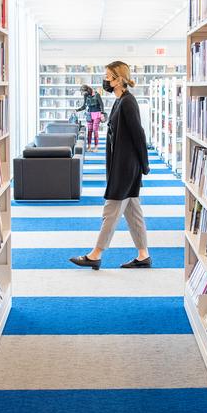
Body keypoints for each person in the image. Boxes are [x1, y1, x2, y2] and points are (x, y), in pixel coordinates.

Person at [70, 61, 152, 270]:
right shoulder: (119, 101)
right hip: (122, 164)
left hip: (126, 167)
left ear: (118, 79)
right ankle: (143, 255)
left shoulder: (127, 102)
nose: (105, 80)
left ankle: (95, 254)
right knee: (133, 212)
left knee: (111, 210)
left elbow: (138, 134)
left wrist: (144, 165)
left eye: (108, 76)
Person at [76, 84, 105, 153]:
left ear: (87, 90)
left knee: (95, 131)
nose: (82, 94)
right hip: (89, 115)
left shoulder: (97, 95)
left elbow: (102, 105)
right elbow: (84, 106)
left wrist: (102, 113)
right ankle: (89, 147)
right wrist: (77, 110)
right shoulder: (86, 96)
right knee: (89, 131)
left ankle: (96, 147)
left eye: (83, 92)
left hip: (97, 114)